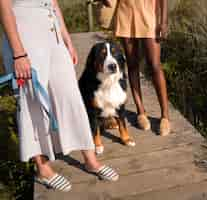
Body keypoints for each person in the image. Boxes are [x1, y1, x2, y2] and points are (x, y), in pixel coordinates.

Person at [0, 0, 119, 192]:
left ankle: (90, 160)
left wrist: (68, 41)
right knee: (33, 99)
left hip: (52, 30)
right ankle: (43, 169)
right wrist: (18, 53)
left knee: (70, 96)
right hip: (24, 31)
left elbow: (54, 3)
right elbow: (3, 6)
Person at [101, 0, 171, 136]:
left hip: (150, 14)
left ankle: (165, 116)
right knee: (132, 65)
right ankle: (141, 112)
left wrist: (163, 21)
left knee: (155, 64)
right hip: (126, 12)